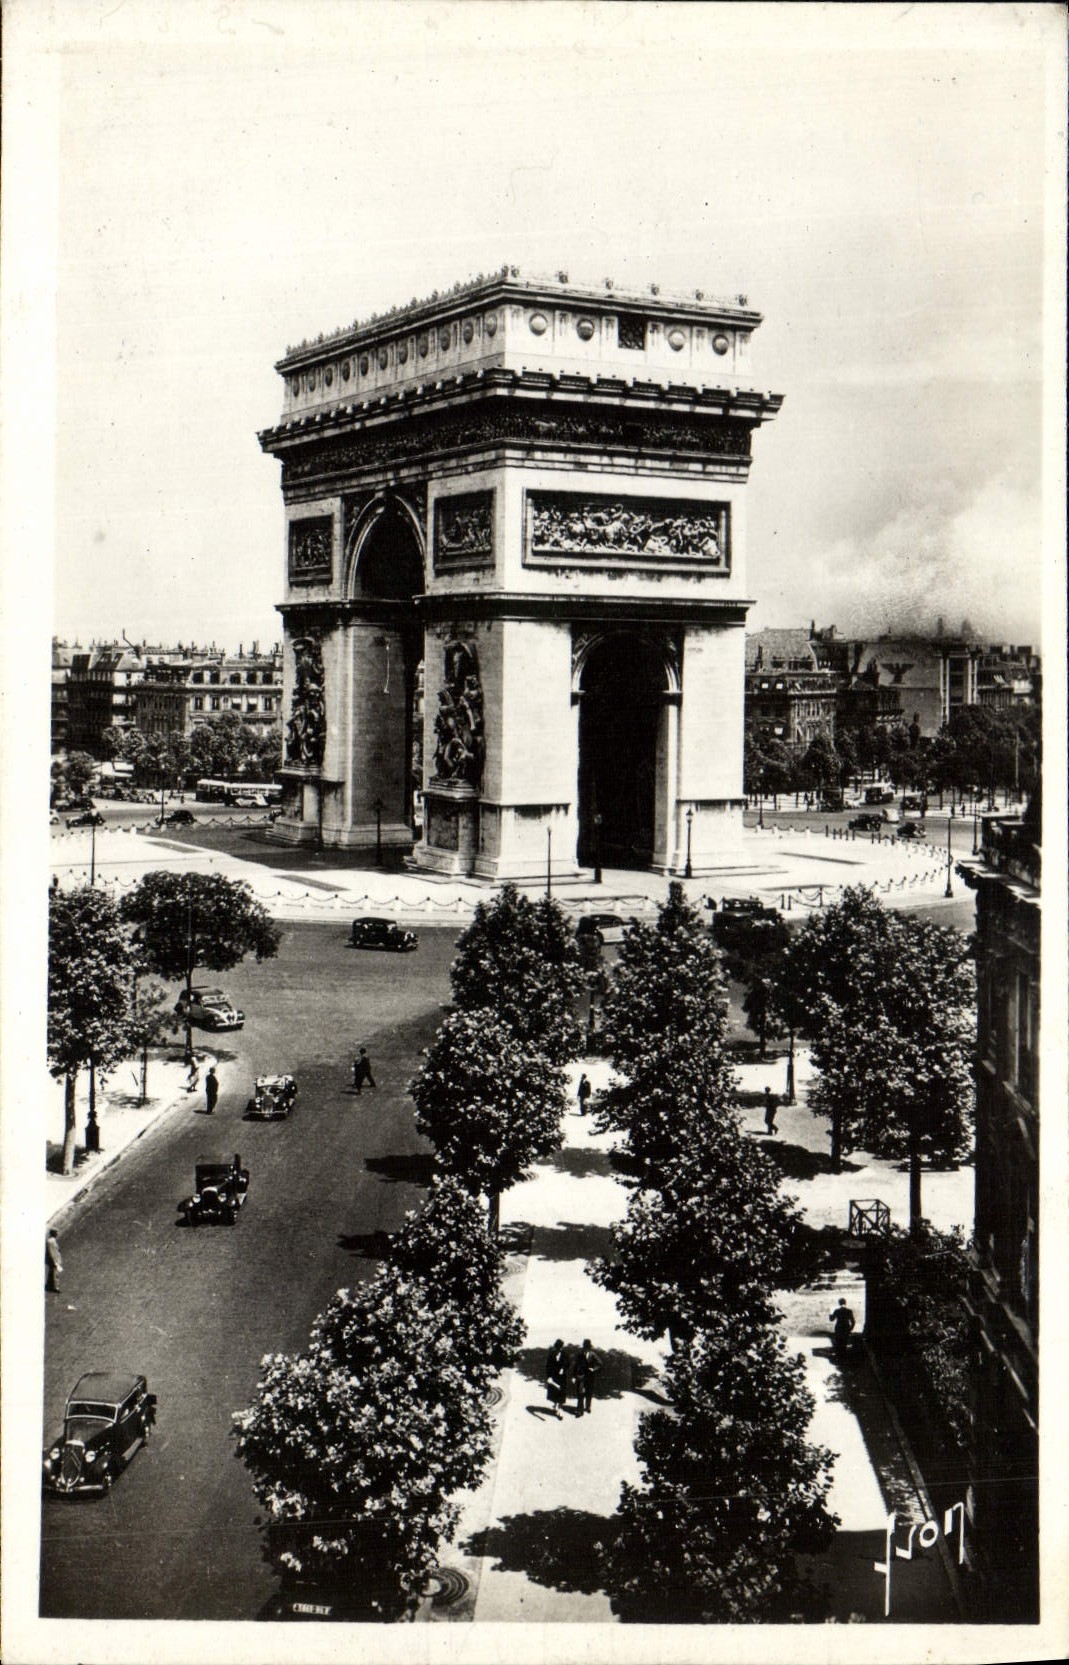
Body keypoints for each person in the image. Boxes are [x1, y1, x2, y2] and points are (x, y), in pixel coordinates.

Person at [573, 1338, 602, 1417]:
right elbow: (575, 1365)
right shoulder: (580, 1354)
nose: (585, 1348)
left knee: (589, 1392)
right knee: (580, 1393)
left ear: (589, 1347)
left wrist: (593, 1369)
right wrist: (574, 1376)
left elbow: (600, 1363)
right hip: (581, 1376)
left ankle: (588, 1407)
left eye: (587, 1347)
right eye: (584, 1346)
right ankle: (580, 1410)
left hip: (590, 1377)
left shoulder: (593, 1354)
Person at [545, 1339, 567, 1421]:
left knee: (561, 1393)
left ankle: (558, 1410)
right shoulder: (551, 1354)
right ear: (556, 1347)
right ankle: (556, 1406)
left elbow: (568, 1363)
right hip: (554, 1377)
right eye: (558, 1348)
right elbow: (548, 1366)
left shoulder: (565, 1354)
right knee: (554, 1393)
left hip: (562, 1377)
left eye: (561, 1348)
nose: (560, 1349)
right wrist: (549, 1377)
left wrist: (563, 1369)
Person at [45, 1229, 63, 1294]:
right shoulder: (50, 1241)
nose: (57, 1234)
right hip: (54, 1261)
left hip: (56, 1260)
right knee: (55, 1274)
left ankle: (50, 1285)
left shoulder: (52, 1240)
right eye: (56, 1233)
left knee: (52, 1273)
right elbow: (52, 1253)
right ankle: (56, 1287)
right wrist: (55, 1262)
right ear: (54, 1233)